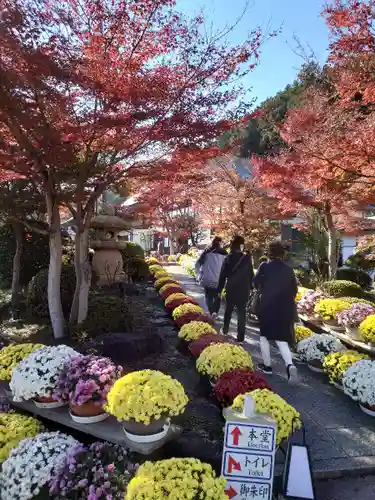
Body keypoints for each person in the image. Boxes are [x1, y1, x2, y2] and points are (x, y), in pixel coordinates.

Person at [253, 241, 298, 382]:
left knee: (264, 337)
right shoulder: (288, 269)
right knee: (281, 338)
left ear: (269, 253)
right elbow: (294, 290)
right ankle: (289, 364)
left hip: (268, 306)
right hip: (285, 307)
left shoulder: (265, 266)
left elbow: (255, 283)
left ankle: (267, 366)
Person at [217, 236, 254, 343]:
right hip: (244, 289)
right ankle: (241, 337)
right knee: (241, 313)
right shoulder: (247, 258)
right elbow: (251, 274)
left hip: (231, 288)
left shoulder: (228, 257)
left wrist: (219, 290)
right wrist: (251, 287)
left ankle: (225, 330)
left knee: (228, 310)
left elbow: (222, 275)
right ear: (241, 245)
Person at [195, 236, 227, 318]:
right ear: (221, 243)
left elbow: (198, 263)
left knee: (208, 296)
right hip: (219, 280)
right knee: (218, 296)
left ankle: (211, 311)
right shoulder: (225, 253)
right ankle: (215, 312)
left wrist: (198, 274)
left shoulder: (207, 251)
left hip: (207, 278)